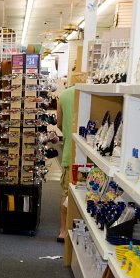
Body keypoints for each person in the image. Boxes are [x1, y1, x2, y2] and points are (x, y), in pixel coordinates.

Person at [57, 85, 76, 243]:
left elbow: (59, 124)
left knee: (65, 192)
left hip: (70, 151)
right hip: (92, 155)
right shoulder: (97, 92)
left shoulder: (63, 95)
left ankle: (63, 230)